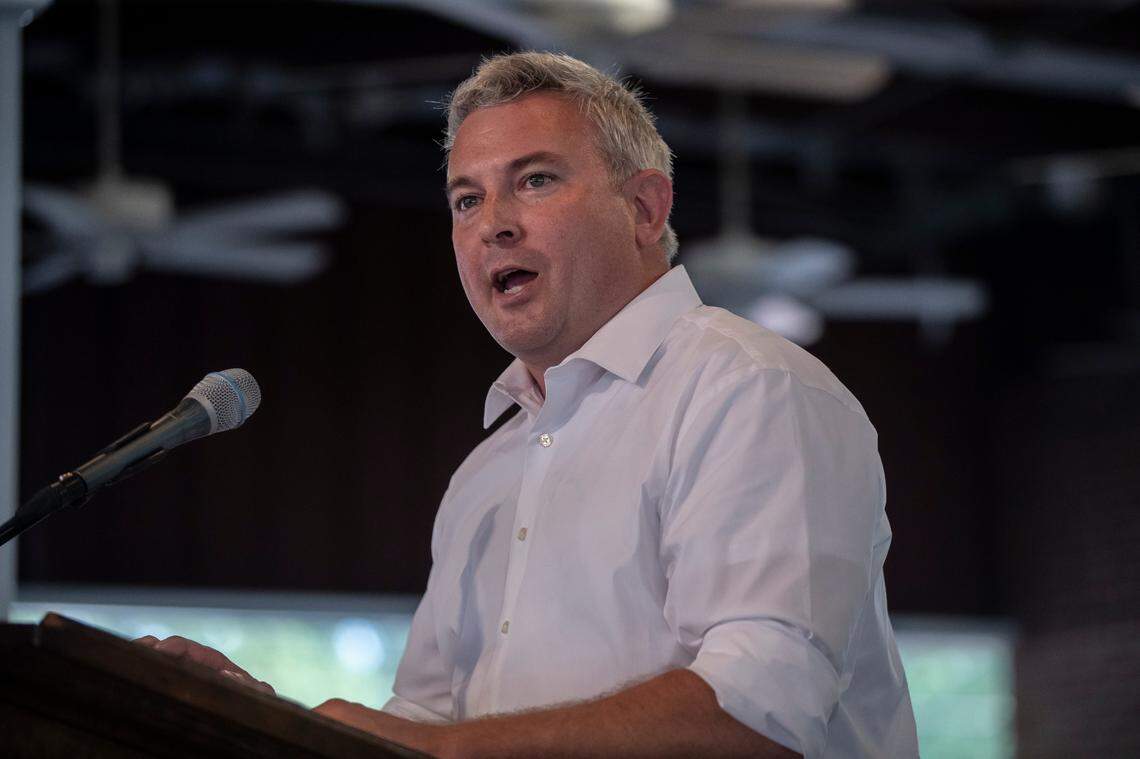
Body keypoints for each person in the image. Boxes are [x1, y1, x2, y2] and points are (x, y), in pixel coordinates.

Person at [137, 52, 918, 758]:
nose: (492, 226)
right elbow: (422, 730)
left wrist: (454, 751)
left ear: (646, 209)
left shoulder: (751, 389)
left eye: (536, 179)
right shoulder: (485, 473)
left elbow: (760, 719)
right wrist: (262, 717)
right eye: (467, 199)